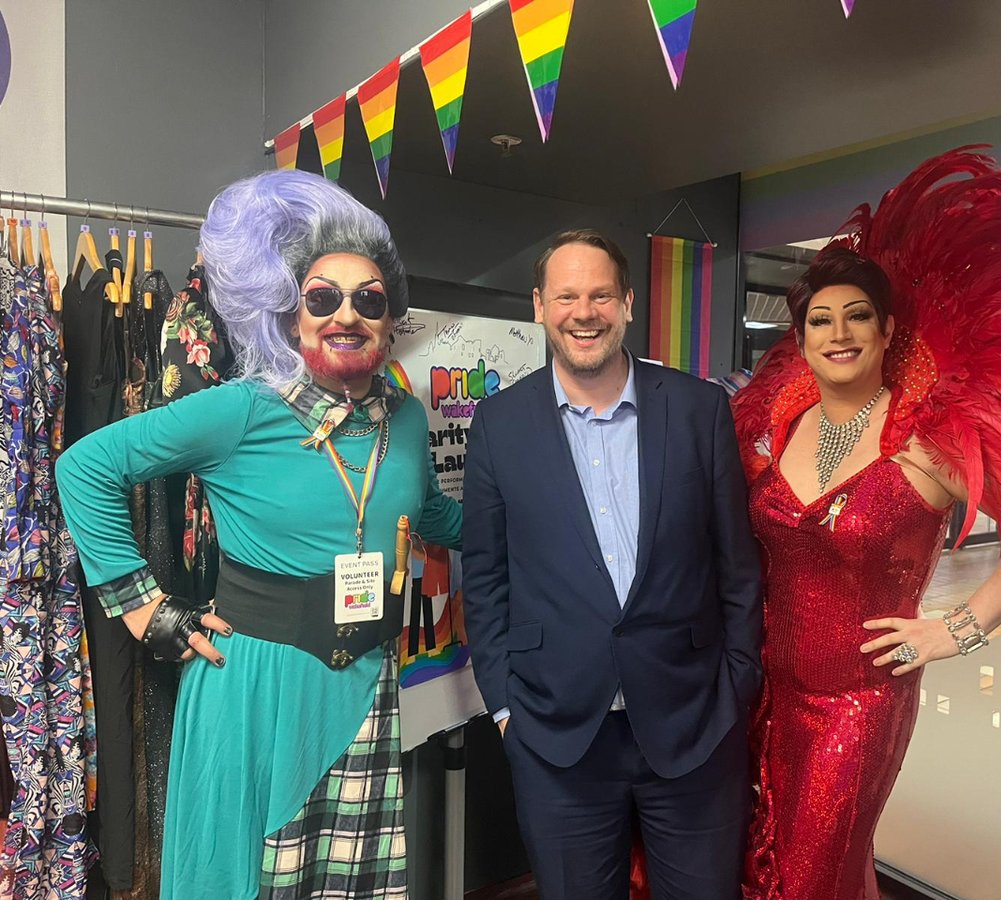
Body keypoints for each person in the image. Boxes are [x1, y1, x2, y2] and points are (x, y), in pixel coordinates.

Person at [57, 169, 461, 899]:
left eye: (370, 299)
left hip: (366, 685)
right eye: (323, 297)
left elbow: (429, 513)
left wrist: (534, 517)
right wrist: (143, 607)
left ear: (391, 316)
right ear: (292, 315)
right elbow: (86, 468)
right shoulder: (244, 409)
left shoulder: (403, 417)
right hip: (256, 689)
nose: (348, 314)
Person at [733, 146, 1001, 900]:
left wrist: (956, 629)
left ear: (886, 328)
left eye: (856, 316)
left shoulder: (927, 440)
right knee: (765, 867)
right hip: (764, 695)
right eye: (820, 320)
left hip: (858, 704)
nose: (839, 333)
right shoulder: (779, 425)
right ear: (799, 339)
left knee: (812, 880)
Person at [461, 229, 762, 899]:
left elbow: (736, 565)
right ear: (540, 306)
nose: (584, 311)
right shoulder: (499, 424)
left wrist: (736, 686)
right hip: (556, 735)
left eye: (600, 294)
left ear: (627, 303)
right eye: (566, 295)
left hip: (694, 727)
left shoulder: (698, 410)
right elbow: (484, 579)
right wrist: (506, 707)